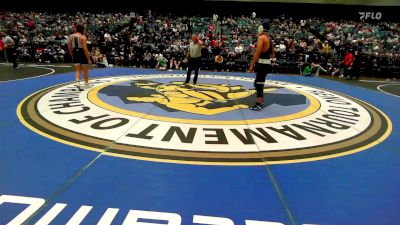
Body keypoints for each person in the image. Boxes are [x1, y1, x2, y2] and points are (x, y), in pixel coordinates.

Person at [248, 22, 275, 111]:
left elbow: (257, 52)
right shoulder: (269, 39)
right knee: (259, 83)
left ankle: (258, 104)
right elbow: (273, 54)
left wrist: (252, 64)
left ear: (262, 28)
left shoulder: (262, 38)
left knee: (259, 84)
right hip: (267, 64)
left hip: (262, 64)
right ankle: (260, 102)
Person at [67, 24, 92, 91]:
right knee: (85, 70)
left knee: (78, 70)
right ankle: (86, 84)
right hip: (82, 53)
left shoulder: (71, 36)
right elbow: (85, 49)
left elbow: (69, 47)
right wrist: (89, 59)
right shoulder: (83, 37)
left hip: (75, 52)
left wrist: (72, 55)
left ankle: (78, 83)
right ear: (82, 30)